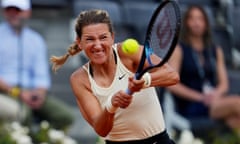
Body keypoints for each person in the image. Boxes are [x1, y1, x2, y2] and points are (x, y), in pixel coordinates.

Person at [51, 9, 179, 143]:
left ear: (112, 37)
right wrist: (112, 105)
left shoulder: (129, 53)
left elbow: (172, 75)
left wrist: (145, 81)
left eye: (103, 37)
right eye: (89, 39)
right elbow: (101, 129)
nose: (98, 45)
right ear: (79, 42)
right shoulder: (79, 79)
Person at [0, 0, 74, 129]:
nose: (14, 14)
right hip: (5, 92)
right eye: (9, 10)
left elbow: (41, 76)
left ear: (27, 12)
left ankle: (43, 138)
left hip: (30, 92)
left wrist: (39, 94)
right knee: (22, 113)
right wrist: (18, 93)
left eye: (18, 10)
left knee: (64, 116)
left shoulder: (36, 40)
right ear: (4, 12)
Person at [167, 5, 240, 131]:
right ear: (186, 23)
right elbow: (171, 84)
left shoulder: (215, 50)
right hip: (191, 103)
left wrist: (215, 94)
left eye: (200, 19)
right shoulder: (179, 50)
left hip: (214, 100)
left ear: (206, 23)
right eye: (192, 19)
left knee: (234, 120)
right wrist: (200, 97)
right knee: (238, 103)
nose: (196, 23)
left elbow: (224, 84)